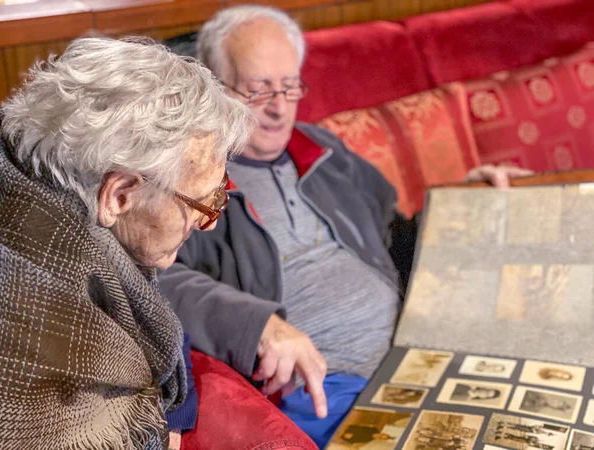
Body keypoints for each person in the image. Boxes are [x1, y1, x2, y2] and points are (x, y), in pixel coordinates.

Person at [159, 5, 532, 447]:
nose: (279, 109)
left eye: (290, 86)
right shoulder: (192, 177)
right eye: (259, 91)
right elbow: (151, 277)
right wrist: (259, 325)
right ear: (219, 90)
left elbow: (396, 239)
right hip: (325, 386)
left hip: (418, 354)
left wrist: (465, 207)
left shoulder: (324, 151)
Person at [0, 36, 251, 449]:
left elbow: (160, 324)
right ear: (120, 196)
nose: (207, 224)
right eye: (201, 202)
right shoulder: (43, 328)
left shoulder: (22, 170)